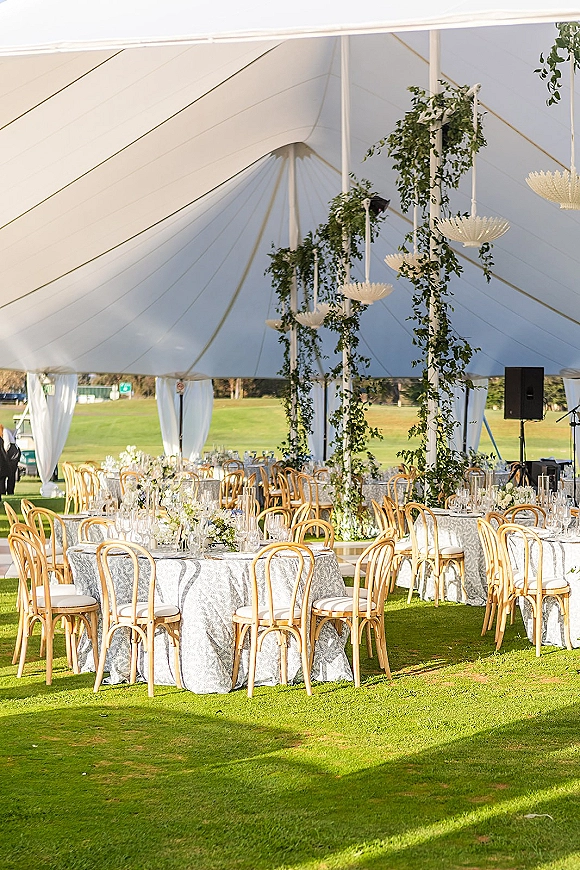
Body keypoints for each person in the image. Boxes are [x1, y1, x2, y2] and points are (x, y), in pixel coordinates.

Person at [0, 423, 20, 498]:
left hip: (13, 454)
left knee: (11, 473)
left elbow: (7, 445)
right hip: (8, 454)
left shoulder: (5, 431)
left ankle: (10, 490)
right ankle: (5, 490)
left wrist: (4, 454)